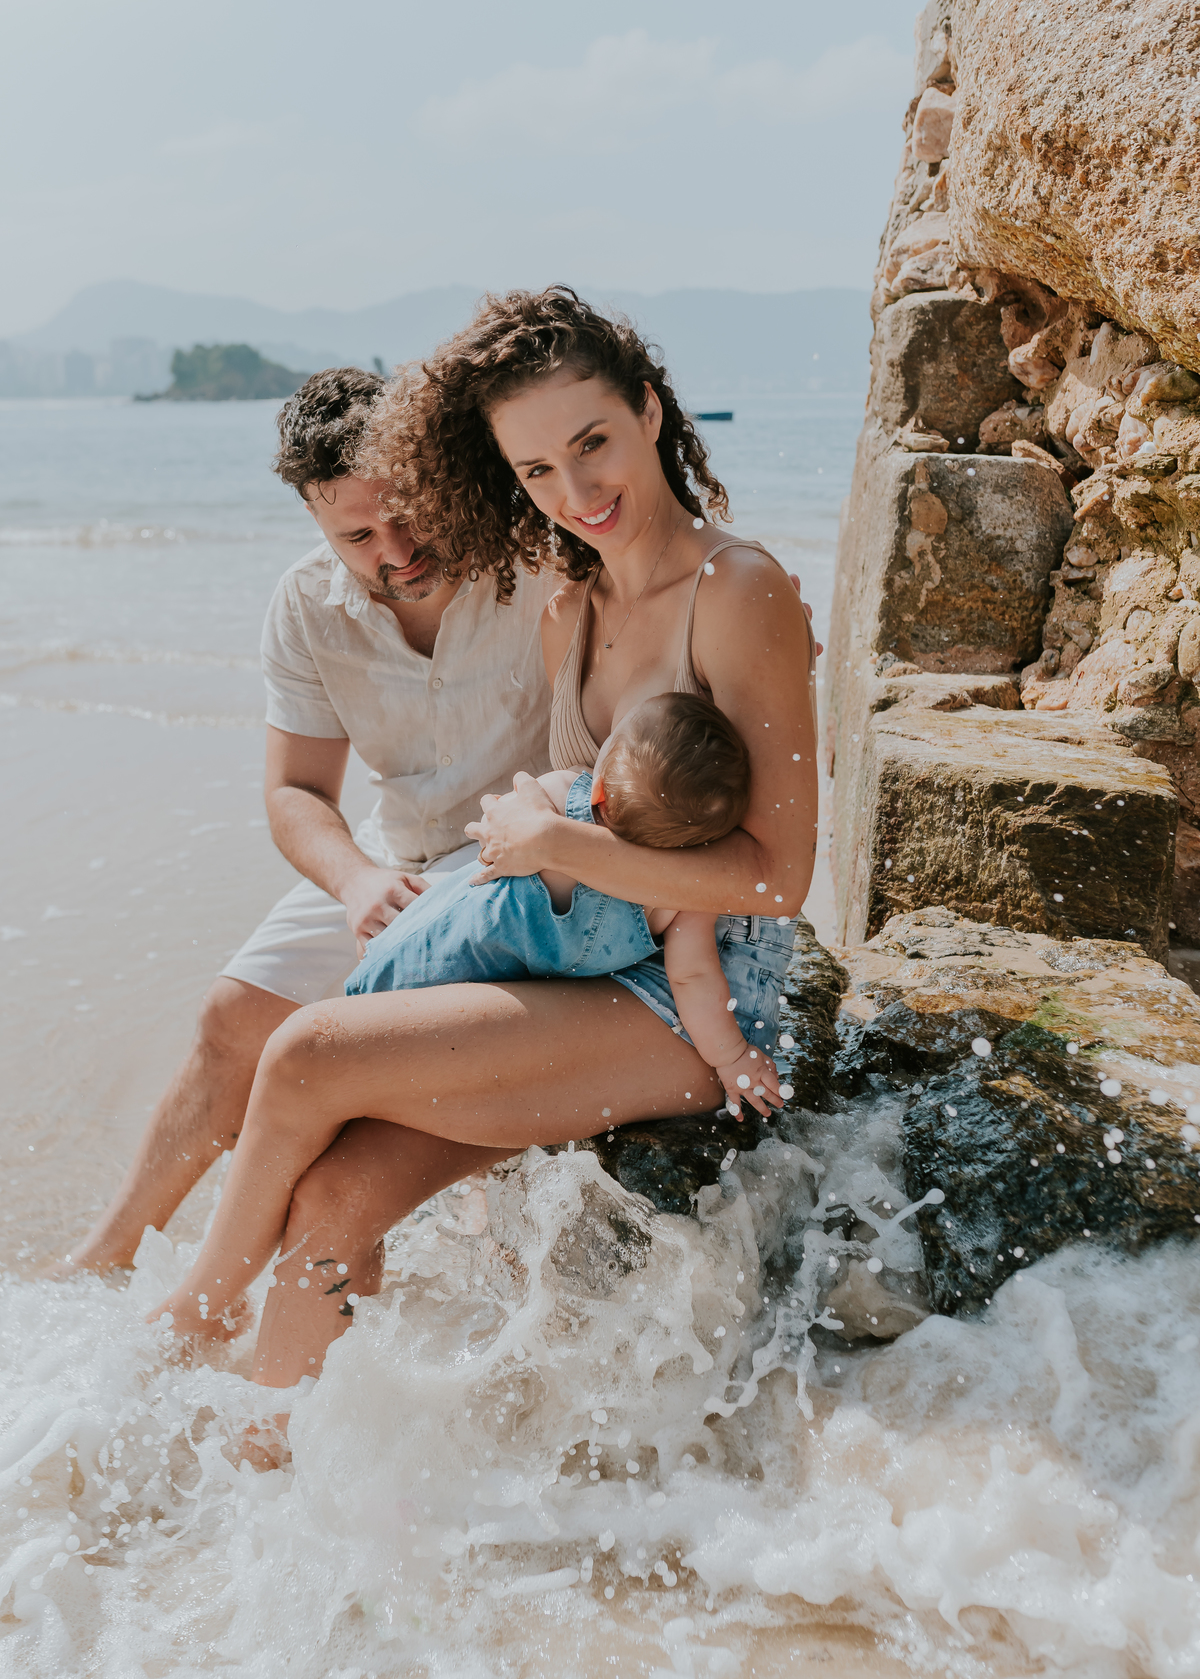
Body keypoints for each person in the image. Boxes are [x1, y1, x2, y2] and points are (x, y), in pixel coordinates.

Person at [150, 286, 820, 1400]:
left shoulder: (736, 591)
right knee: (334, 1197)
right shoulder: (571, 600)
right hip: (575, 963)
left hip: (700, 996)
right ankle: (270, 1465)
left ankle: (190, 1318)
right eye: (536, 473)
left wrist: (554, 842)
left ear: (651, 411)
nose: (577, 492)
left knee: (310, 1053)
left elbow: (779, 876)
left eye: (592, 443)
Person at [61, 365, 557, 1276]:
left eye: (408, 513)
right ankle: (106, 1256)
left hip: (522, 856)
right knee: (231, 1018)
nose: (396, 549)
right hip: (390, 854)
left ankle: (325, 1275)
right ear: (317, 522)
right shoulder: (304, 603)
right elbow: (295, 792)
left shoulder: (538, 556)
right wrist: (354, 879)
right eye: (358, 534)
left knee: (346, 1060)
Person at [346, 691, 791, 1121]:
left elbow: (494, 831)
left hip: (414, 953)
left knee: (358, 1049)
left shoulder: (556, 797)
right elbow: (694, 977)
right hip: (466, 1008)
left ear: (598, 784)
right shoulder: (682, 900)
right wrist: (732, 1057)